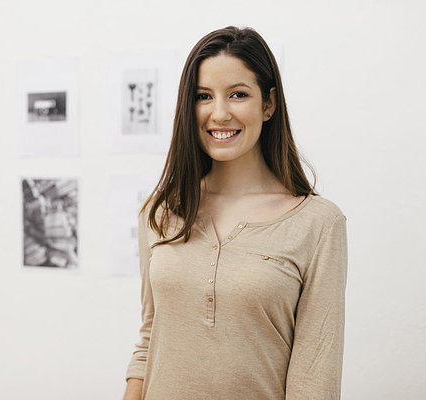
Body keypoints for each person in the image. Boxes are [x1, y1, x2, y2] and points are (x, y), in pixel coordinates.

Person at [123, 26, 348, 400]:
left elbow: (315, 377)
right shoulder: (161, 210)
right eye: (203, 96)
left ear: (268, 104)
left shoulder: (318, 224)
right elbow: (150, 337)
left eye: (238, 94)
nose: (219, 113)